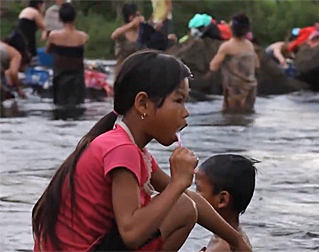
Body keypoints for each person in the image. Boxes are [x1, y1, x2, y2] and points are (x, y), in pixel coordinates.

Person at [32, 50, 253, 252]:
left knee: (185, 205)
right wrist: (178, 183)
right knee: (183, 208)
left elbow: (191, 197)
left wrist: (235, 240)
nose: (185, 112)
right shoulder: (121, 149)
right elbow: (131, 234)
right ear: (143, 104)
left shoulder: (134, 150)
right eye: (178, 100)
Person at [195, 154, 257, 252]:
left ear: (222, 200)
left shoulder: (223, 247)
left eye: (198, 189)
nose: (194, 196)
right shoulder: (231, 237)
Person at [209, 13, 260, 113]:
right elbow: (257, 65)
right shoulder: (250, 46)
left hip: (234, 89)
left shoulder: (227, 46)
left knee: (231, 116)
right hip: (250, 89)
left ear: (232, 28)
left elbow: (213, 66)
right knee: (247, 115)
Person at [46, 3, 88, 118]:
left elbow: (48, 51)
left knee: (60, 108)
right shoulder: (83, 36)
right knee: (77, 109)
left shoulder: (54, 35)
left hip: (60, 77)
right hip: (77, 78)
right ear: (75, 18)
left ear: (60, 18)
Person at [8, 0, 46, 65]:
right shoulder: (34, 12)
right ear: (39, 5)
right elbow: (44, 26)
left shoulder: (26, 10)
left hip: (17, 37)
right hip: (26, 41)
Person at [111, 3, 144, 75]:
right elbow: (114, 35)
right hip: (123, 70)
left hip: (138, 70)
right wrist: (132, 24)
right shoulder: (122, 32)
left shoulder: (141, 31)